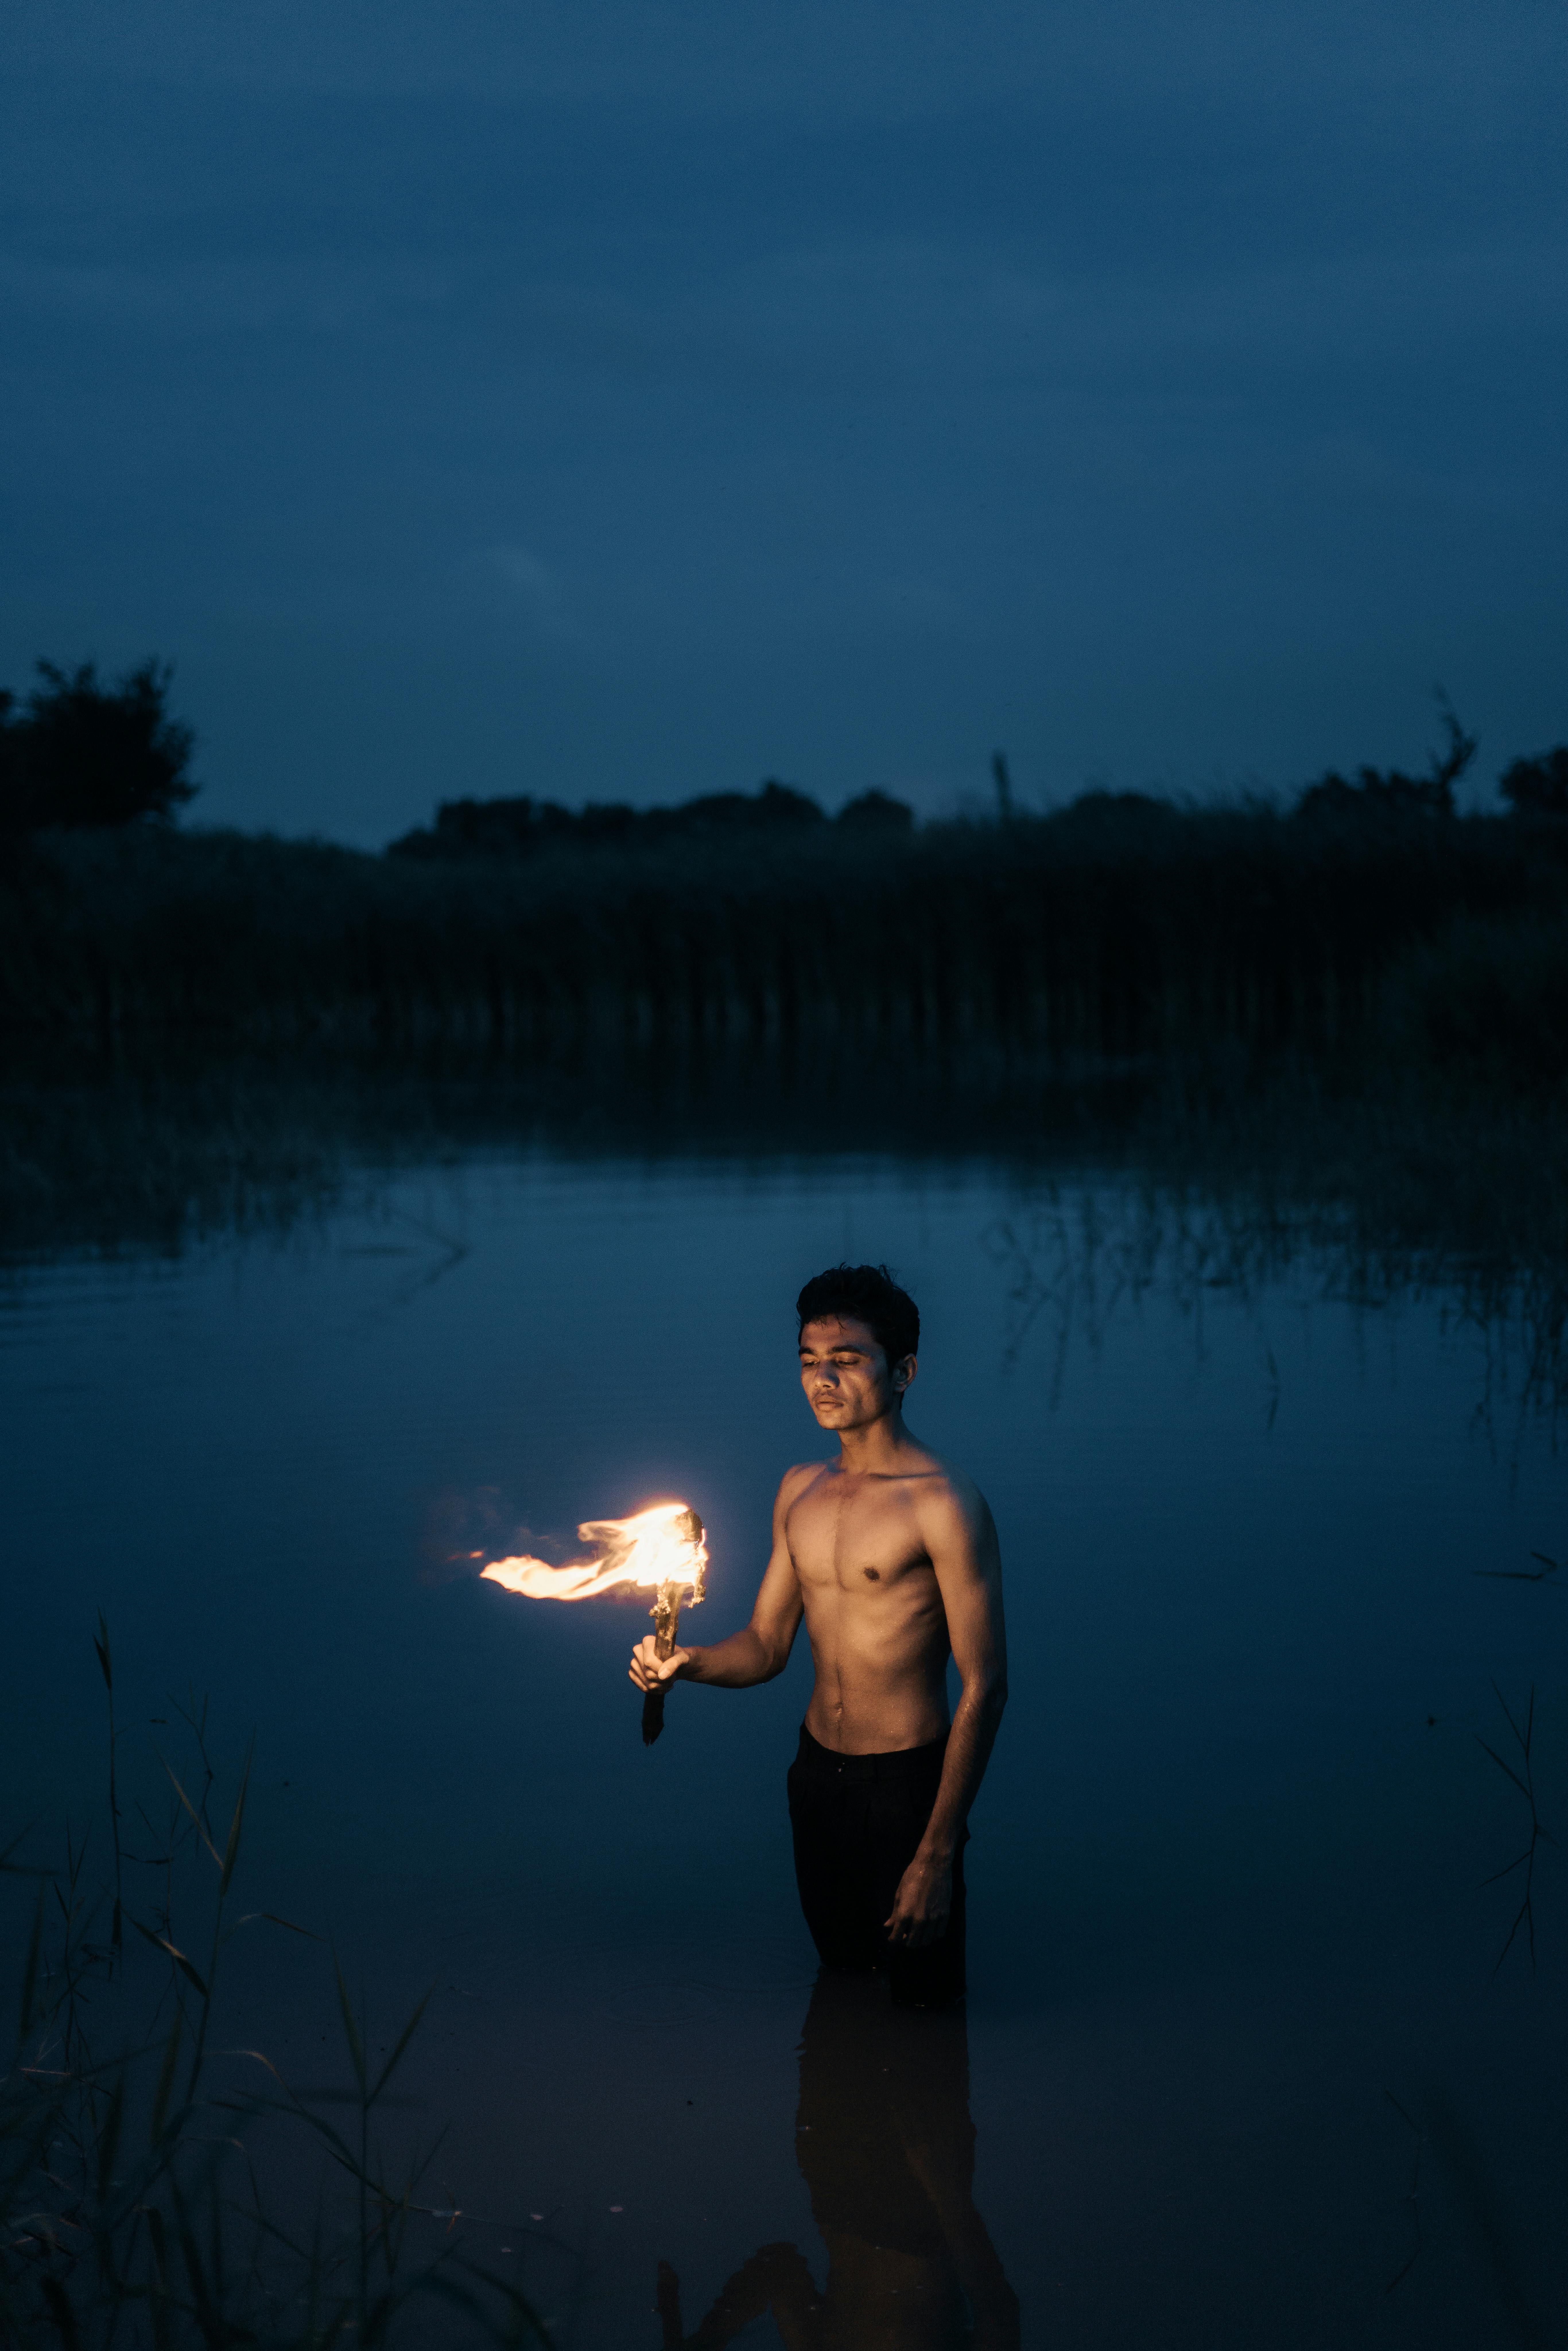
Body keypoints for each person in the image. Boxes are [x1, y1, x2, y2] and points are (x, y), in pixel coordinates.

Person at [629, 1262, 1007, 2006]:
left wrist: (935, 1851)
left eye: (847, 1361)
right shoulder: (799, 1490)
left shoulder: (944, 1504)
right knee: (842, 1990)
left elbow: (987, 1685)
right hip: (816, 1780)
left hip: (907, 1786)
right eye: (808, 1361)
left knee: (925, 2011)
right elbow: (768, 1646)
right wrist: (687, 1664)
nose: (822, 1380)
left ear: (905, 1373)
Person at [655, 1969, 1020, 2349]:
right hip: (916, 2198)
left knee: (845, 1996)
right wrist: (944, 2187)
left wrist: (710, 2337)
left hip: (837, 2183)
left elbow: (779, 2268)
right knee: (904, 2000)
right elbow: (999, 2309)